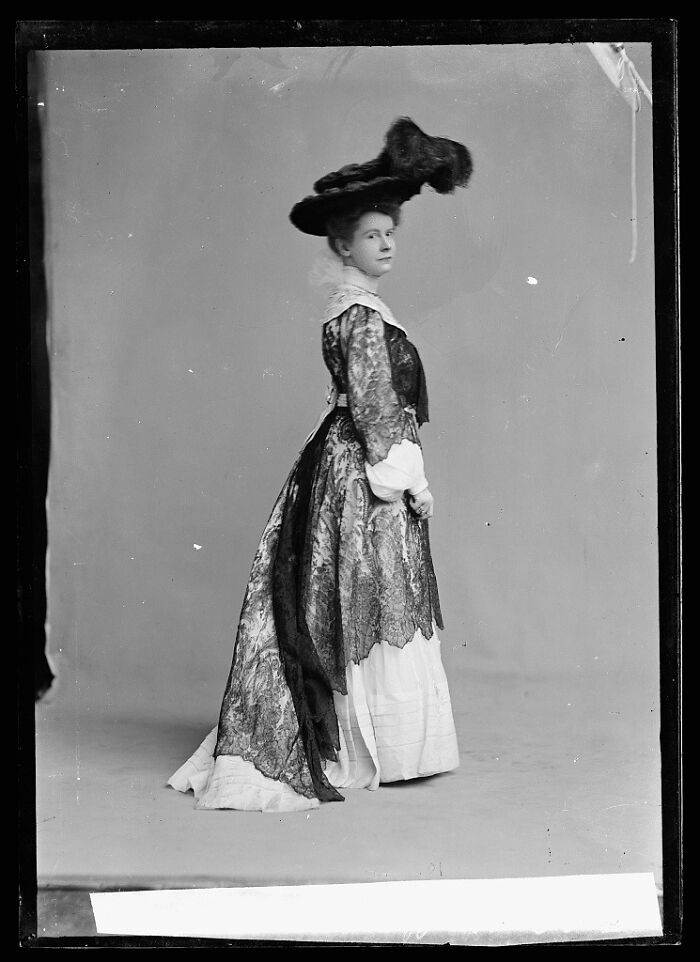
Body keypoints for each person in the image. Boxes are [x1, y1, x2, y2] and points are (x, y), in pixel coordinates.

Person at [168, 117, 473, 812]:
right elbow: (376, 411)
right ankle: (372, 750)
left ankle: (386, 745)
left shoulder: (357, 308)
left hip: (342, 461)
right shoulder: (360, 317)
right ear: (343, 246)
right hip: (362, 468)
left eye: (390, 231)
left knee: (364, 594)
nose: (387, 242)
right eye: (372, 234)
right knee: (372, 591)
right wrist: (412, 483)